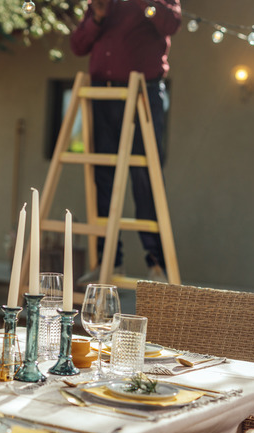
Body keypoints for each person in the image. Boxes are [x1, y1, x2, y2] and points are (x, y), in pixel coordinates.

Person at [70, 0, 181, 283]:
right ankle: (108, 261)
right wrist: (97, 16)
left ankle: (156, 264)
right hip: (103, 96)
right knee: (102, 177)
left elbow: (172, 24)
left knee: (145, 175)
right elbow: (78, 45)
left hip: (142, 93)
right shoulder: (102, 3)